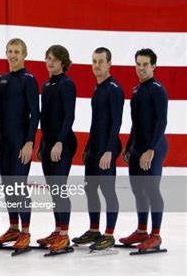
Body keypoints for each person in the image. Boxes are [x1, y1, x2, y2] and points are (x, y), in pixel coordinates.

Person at [72, 47, 124, 251]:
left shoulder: (114, 88)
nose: (97, 65)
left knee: (108, 190)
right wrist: (87, 147)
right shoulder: (97, 88)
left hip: (107, 148)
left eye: (101, 61)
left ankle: (109, 234)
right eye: (94, 61)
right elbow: (96, 123)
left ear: (109, 63)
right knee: (90, 188)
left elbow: (116, 123)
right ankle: (94, 230)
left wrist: (110, 151)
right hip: (94, 148)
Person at [0, 39, 40, 250]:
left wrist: (29, 142)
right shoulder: (2, 79)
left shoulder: (29, 79)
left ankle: (26, 232)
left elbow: (35, 113)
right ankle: (13, 228)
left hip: (21, 143)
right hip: (4, 144)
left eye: (17, 52)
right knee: (9, 188)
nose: (13, 55)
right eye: (10, 51)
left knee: (19, 187)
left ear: (24, 54)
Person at [120, 48, 168, 251]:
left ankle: (155, 235)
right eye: (138, 64)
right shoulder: (137, 89)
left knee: (151, 189)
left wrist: (151, 149)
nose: (141, 68)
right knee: (138, 190)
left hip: (153, 147)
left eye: (145, 64)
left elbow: (161, 121)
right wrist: (130, 146)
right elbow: (136, 122)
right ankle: (141, 232)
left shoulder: (157, 89)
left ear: (154, 66)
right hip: (137, 147)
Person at [36, 45, 77, 252]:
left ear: (62, 62)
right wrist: (43, 143)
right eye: (47, 58)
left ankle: (64, 234)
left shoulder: (67, 84)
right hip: (48, 143)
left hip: (64, 143)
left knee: (60, 189)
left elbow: (69, 116)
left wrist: (60, 141)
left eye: (53, 59)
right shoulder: (47, 84)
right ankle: (57, 229)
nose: (49, 62)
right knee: (53, 190)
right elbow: (45, 118)